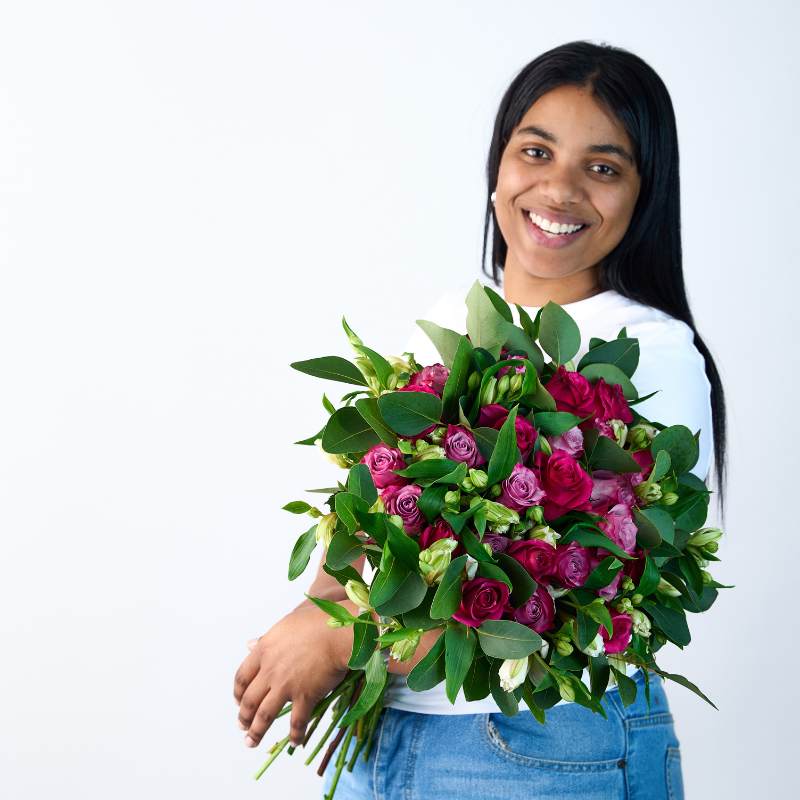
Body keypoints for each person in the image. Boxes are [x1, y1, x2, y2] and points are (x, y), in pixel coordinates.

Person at [233, 39, 727, 800]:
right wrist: (314, 611)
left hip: (543, 742)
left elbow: (573, 598)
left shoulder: (648, 353)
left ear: (643, 192)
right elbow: (375, 506)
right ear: (499, 167)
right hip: (395, 730)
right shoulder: (446, 318)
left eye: (602, 167)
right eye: (536, 151)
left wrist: (340, 639)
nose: (559, 189)